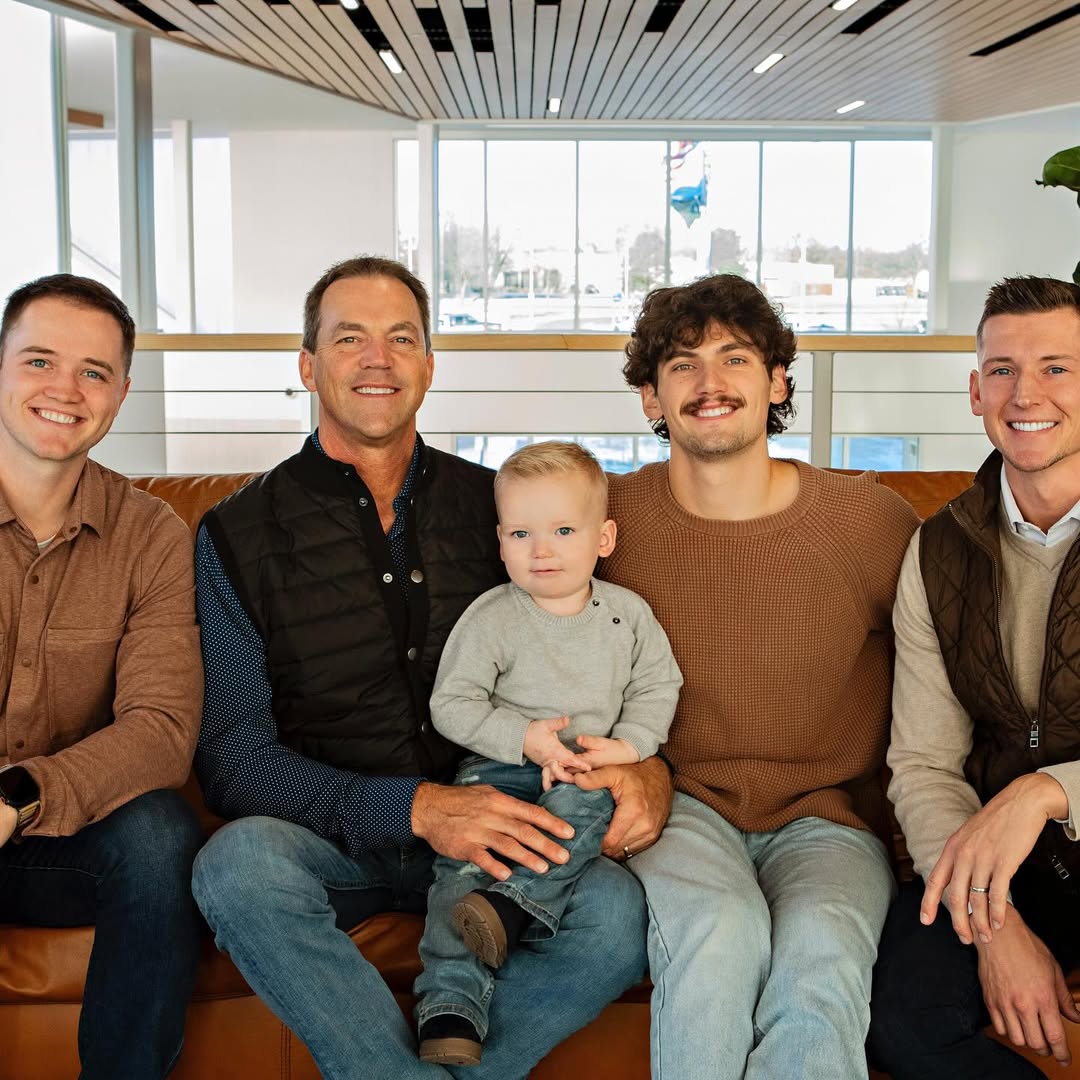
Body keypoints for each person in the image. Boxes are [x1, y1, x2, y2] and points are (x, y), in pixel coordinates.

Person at [189, 256, 662, 1080]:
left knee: (620, 915)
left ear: (429, 366)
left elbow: (607, 650)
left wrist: (650, 768)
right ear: (307, 365)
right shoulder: (236, 532)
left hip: (504, 832)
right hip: (336, 839)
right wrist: (415, 807)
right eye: (350, 339)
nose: (378, 360)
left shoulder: (503, 513)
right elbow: (233, 761)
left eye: (401, 338)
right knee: (235, 868)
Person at [594, 272, 920, 1079]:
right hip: (682, 804)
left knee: (823, 953)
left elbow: (940, 678)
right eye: (681, 364)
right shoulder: (606, 521)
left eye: (734, 359)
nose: (710, 384)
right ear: (649, 397)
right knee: (720, 928)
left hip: (829, 818)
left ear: (776, 381)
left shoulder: (868, 521)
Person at [868, 276, 1080, 1078]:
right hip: (1000, 865)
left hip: (1033, 825)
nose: (1025, 393)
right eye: (1001, 370)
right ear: (974, 390)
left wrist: (1042, 793)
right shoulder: (939, 549)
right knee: (899, 1020)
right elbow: (923, 763)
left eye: (1057, 367)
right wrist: (993, 925)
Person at [414, 440, 682, 1065]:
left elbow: (657, 685)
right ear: (500, 541)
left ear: (604, 538)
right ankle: (450, 1007)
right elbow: (451, 705)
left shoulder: (627, 616)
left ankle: (511, 909)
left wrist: (631, 747)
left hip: (591, 772)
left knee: (575, 816)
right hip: (502, 772)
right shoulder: (492, 618)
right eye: (522, 533)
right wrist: (523, 738)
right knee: (462, 874)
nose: (543, 550)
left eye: (564, 530)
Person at [0, 274, 204, 1079]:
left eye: (94, 371)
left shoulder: (151, 533)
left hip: (55, 836)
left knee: (160, 836)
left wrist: (19, 796)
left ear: (121, 392)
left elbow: (161, 732)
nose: (65, 389)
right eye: (39, 361)